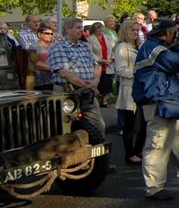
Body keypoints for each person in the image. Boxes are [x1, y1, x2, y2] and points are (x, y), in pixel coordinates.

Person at [133, 18, 179, 200]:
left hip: (168, 101)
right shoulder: (155, 50)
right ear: (166, 33)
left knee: (178, 142)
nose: (176, 35)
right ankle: (154, 187)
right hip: (158, 101)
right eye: (174, 32)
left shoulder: (156, 46)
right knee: (158, 144)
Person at [47, 17, 107, 154]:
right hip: (67, 92)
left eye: (82, 27)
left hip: (87, 92)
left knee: (98, 125)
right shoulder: (58, 47)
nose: (82, 30)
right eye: (78, 27)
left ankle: (99, 157)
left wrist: (95, 82)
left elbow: (96, 65)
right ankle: (67, 158)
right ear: (68, 29)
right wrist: (88, 86)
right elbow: (64, 72)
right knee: (66, 127)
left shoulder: (84, 46)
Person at [114, 20, 145, 165]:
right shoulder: (122, 47)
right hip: (129, 88)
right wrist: (138, 72)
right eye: (133, 30)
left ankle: (138, 150)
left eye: (137, 30)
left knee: (142, 123)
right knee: (130, 124)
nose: (136, 32)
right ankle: (130, 153)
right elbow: (121, 70)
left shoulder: (138, 46)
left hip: (140, 88)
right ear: (125, 31)